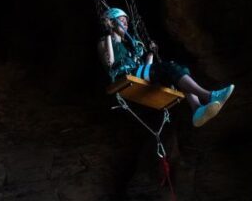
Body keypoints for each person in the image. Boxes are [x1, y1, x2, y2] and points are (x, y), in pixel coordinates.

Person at [98, 7, 234, 127]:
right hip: (124, 76)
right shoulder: (105, 41)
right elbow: (110, 63)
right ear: (112, 22)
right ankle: (209, 95)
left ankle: (197, 109)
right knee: (168, 68)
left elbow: (146, 70)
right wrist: (109, 34)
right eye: (122, 20)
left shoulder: (130, 49)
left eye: (126, 21)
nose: (126, 24)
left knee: (180, 68)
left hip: (137, 75)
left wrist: (150, 54)